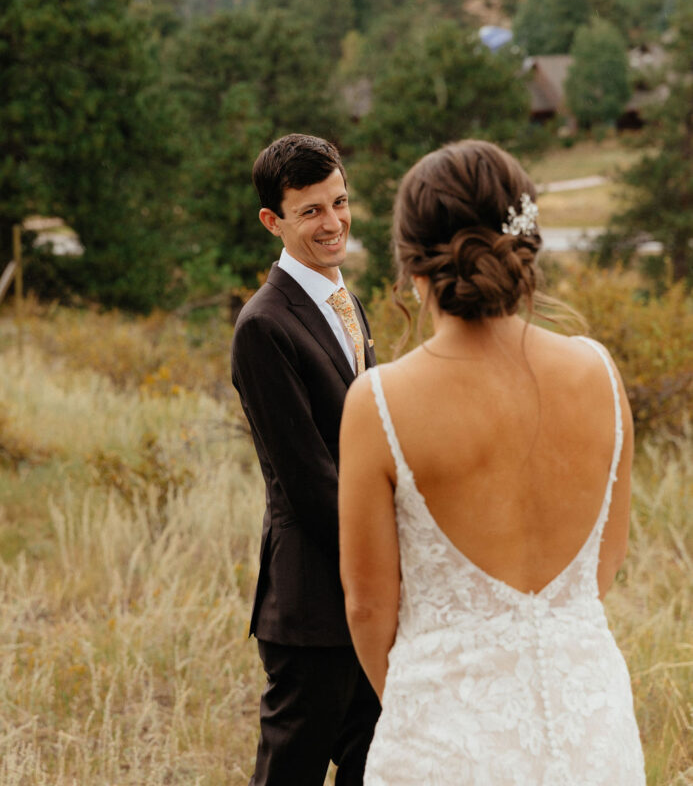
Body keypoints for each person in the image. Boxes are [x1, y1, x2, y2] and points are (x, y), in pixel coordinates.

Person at [339, 139, 646, 785]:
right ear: (522, 242)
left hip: (445, 738)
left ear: (410, 263)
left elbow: (368, 608)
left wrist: (417, 704)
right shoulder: (596, 369)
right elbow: (602, 567)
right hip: (589, 725)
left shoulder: (379, 403)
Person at [231, 133, 380, 786]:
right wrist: (391, 558)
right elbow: (309, 483)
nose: (333, 222)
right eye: (311, 211)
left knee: (372, 766)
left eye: (339, 202)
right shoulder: (264, 326)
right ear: (273, 221)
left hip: (364, 599)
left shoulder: (346, 302)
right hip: (311, 606)